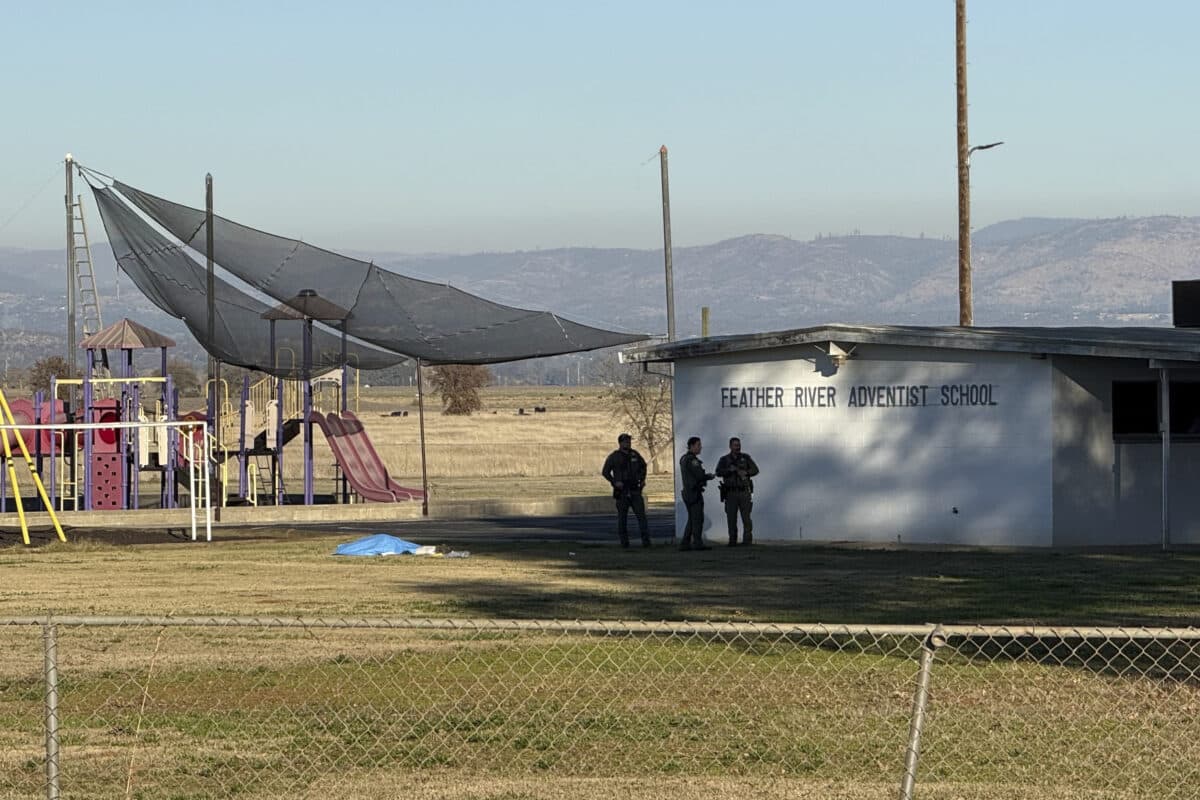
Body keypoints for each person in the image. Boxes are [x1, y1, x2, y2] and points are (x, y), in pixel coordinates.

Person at [601, 432, 651, 548]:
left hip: (635, 490)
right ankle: (624, 543)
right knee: (622, 519)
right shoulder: (614, 456)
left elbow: (643, 466)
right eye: (625, 441)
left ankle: (646, 542)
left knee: (642, 517)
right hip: (622, 491)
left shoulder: (635, 454)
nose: (627, 443)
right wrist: (614, 482)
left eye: (629, 441)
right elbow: (605, 472)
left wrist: (642, 479)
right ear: (620, 443)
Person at [715, 436, 760, 546]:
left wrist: (745, 472)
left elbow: (755, 470)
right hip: (730, 493)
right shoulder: (724, 459)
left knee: (746, 518)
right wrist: (728, 471)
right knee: (731, 518)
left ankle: (747, 541)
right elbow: (718, 472)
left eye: (739, 445)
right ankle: (732, 541)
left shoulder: (746, 457)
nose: (738, 447)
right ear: (730, 446)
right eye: (735, 445)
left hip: (744, 492)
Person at [678, 436, 714, 551]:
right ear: (692, 446)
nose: (700, 447)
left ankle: (685, 543)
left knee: (692, 519)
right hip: (694, 493)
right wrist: (709, 476)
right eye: (698, 445)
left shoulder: (684, 458)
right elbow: (699, 475)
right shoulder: (692, 460)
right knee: (698, 519)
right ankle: (697, 543)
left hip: (688, 493)